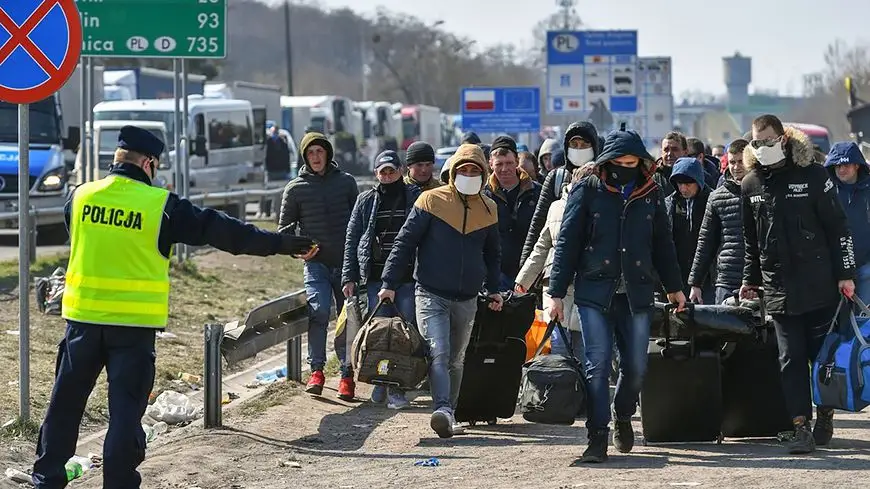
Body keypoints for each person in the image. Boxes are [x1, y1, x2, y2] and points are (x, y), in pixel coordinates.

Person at [32, 126, 314, 489]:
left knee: (64, 408)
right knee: (124, 417)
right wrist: (279, 243)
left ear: (117, 159)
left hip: (81, 324)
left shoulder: (80, 197)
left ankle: (47, 481)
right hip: (133, 330)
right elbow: (224, 232)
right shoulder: (160, 206)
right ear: (148, 163)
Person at [548, 127, 686, 463]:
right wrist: (554, 294)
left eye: (633, 161)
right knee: (596, 365)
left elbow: (663, 245)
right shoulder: (587, 188)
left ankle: (623, 414)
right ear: (609, 160)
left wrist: (675, 287)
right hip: (594, 290)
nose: (627, 167)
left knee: (636, 366)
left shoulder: (652, 192)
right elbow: (566, 243)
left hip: (636, 292)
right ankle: (597, 436)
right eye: (620, 161)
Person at [740, 114, 856, 454]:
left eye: (768, 141)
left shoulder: (814, 175)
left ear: (784, 140)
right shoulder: (750, 184)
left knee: (822, 357)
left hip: (818, 284)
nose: (762, 148)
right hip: (778, 288)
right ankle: (799, 426)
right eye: (757, 143)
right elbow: (751, 241)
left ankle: (825, 413)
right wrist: (750, 280)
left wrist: (844, 274)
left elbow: (838, 228)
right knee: (790, 358)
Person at [378, 144, 504, 439]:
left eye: (475, 170)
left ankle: (451, 412)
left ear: (484, 174)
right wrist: (389, 283)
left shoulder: (489, 208)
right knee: (439, 351)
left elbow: (493, 254)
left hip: (468, 297)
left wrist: (495, 288)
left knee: (456, 358)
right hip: (430, 293)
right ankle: (443, 409)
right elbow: (404, 244)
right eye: (464, 169)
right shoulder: (430, 201)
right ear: (453, 171)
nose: (469, 174)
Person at [278, 132, 360, 401]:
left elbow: (359, 223)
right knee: (319, 312)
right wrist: (300, 250)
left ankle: (347, 374)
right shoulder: (295, 188)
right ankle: (317, 372)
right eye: (310, 153)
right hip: (316, 265)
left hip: (346, 264)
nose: (315, 157)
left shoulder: (346, 183)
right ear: (305, 156)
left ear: (328, 154)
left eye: (319, 152)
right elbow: (285, 230)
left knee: (348, 321)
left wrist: (357, 257)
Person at [342, 150, 420, 410]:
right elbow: (352, 239)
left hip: (407, 279)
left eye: (391, 170)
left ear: (401, 170)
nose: (387, 176)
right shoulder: (365, 200)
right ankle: (379, 380)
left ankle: (395, 387)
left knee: (402, 334)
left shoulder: (415, 197)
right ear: (376, 173)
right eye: (382, 171)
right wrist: (349, 276)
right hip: (374, 278)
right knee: (377, 333)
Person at [515, 166, 591, 360]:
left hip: (585, 286)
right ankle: (561, 389)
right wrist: (524, 280)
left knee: (584, 350)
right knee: (559, 348)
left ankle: (582, 390)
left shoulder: (600, 210)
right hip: (556, 286)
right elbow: (542, 245)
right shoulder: (556, 207)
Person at [520, 122, 601, 266]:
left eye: (584, 145)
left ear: (594, 147)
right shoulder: (556, 178)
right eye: (574, 145)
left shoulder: (605, 178)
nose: (579, 149)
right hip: (558, 263)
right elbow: (538, 224)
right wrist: (525, 266)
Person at [689, 139, 749, 304]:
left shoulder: (764, 193)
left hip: (757, 280)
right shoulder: (716, 197)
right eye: (732, 162)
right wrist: (696, 283)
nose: (736, 167)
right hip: (726, 280)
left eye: (741, 161)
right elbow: (706, 242)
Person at [483, 136, 542, 290]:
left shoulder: (538, 193)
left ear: (517, 161)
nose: (504, 169)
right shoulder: (481, 196)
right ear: (490, 164)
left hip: (531, 276)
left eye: (509, 163)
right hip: (495, 277)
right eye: (499, 164)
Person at [825, 141, 870, 303]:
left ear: (857, 165)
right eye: (837, 166)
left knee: (864, 321)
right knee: (840, 319)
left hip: (866, 266)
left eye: (846, 165)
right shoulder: (826, 191)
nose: (841, 170)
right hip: (835, 269)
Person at [665, 157, 713, 301]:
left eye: (688, 183)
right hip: (677, 276)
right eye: (680, 184)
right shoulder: (669, 204)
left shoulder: (713, 201)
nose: (683, 188)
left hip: (708, 276)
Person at [260, 126, 292, 218]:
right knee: (269, 192)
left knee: (282, 193)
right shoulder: (268, 143)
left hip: (281, 171)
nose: (275, 134)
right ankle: (267, 211)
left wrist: (288, 170)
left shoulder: (283, 143)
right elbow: (265, 157)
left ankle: (279, 212)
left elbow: (287, 157)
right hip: (271, 171)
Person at [653, 131, 688, 196]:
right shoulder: (653, 178)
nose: (669, 154)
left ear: (685, 152)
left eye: (674, 149)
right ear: (661, 152)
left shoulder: (696, 176)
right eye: (666, 150)